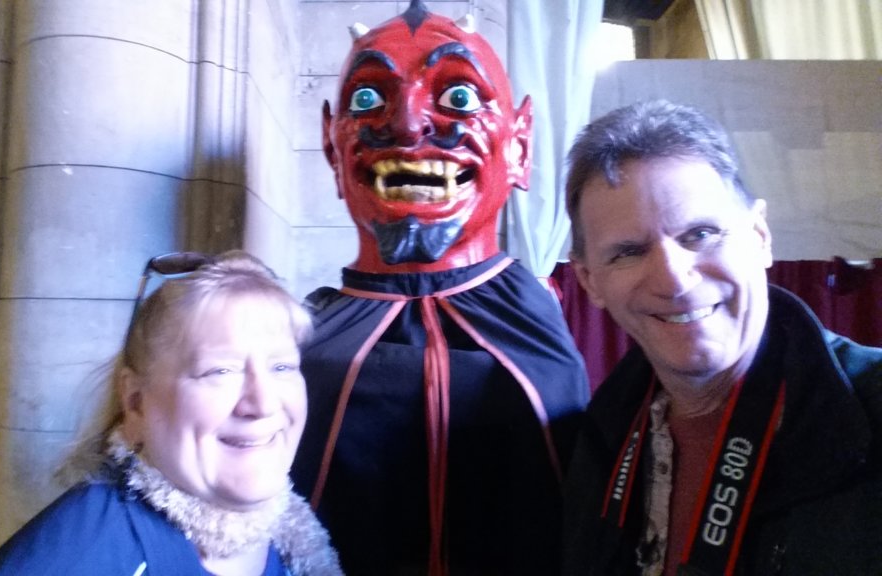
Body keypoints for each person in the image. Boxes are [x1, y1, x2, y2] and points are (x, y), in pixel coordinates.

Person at [291, 2, 590, 574]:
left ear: (518, 147)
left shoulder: (539, 315)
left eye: (459, 97)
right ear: (333, 148)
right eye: (367, 99)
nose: (407, 125)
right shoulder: (304, 336)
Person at [562, 99, 882, 575]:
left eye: (700, 234)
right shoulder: (595, 438)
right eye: (628, 252)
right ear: (590, 281)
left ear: (759, 236)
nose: (673, 279)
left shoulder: (871, 407)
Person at [0, 251, 342, 576]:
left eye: (282, 367)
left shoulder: (292, 540)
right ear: (136, 402)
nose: (263, 404)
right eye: (220, 371)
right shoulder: (81, 557)